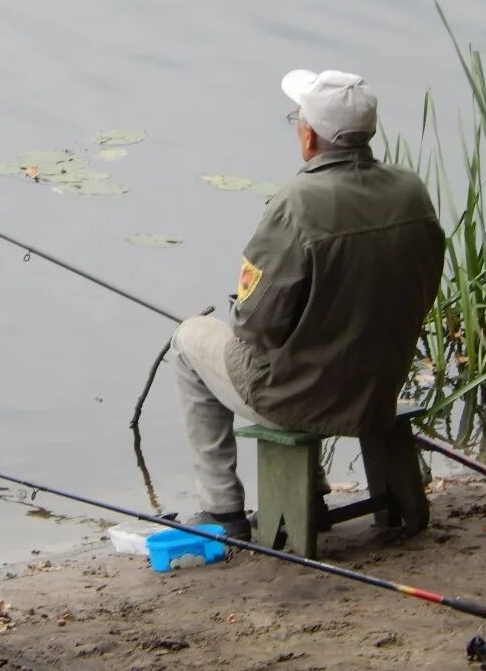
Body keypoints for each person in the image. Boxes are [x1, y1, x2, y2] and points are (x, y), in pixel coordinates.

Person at [171, 69, 446, 540]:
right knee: (320, 335)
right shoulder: (410, 189)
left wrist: (240, 307)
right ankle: (311, 490)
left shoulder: (296, 203)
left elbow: (256, 327)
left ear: (311, 136)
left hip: (302, 397)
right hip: (379, 384)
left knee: (187, 341)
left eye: (297, 119)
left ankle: (222, 511)